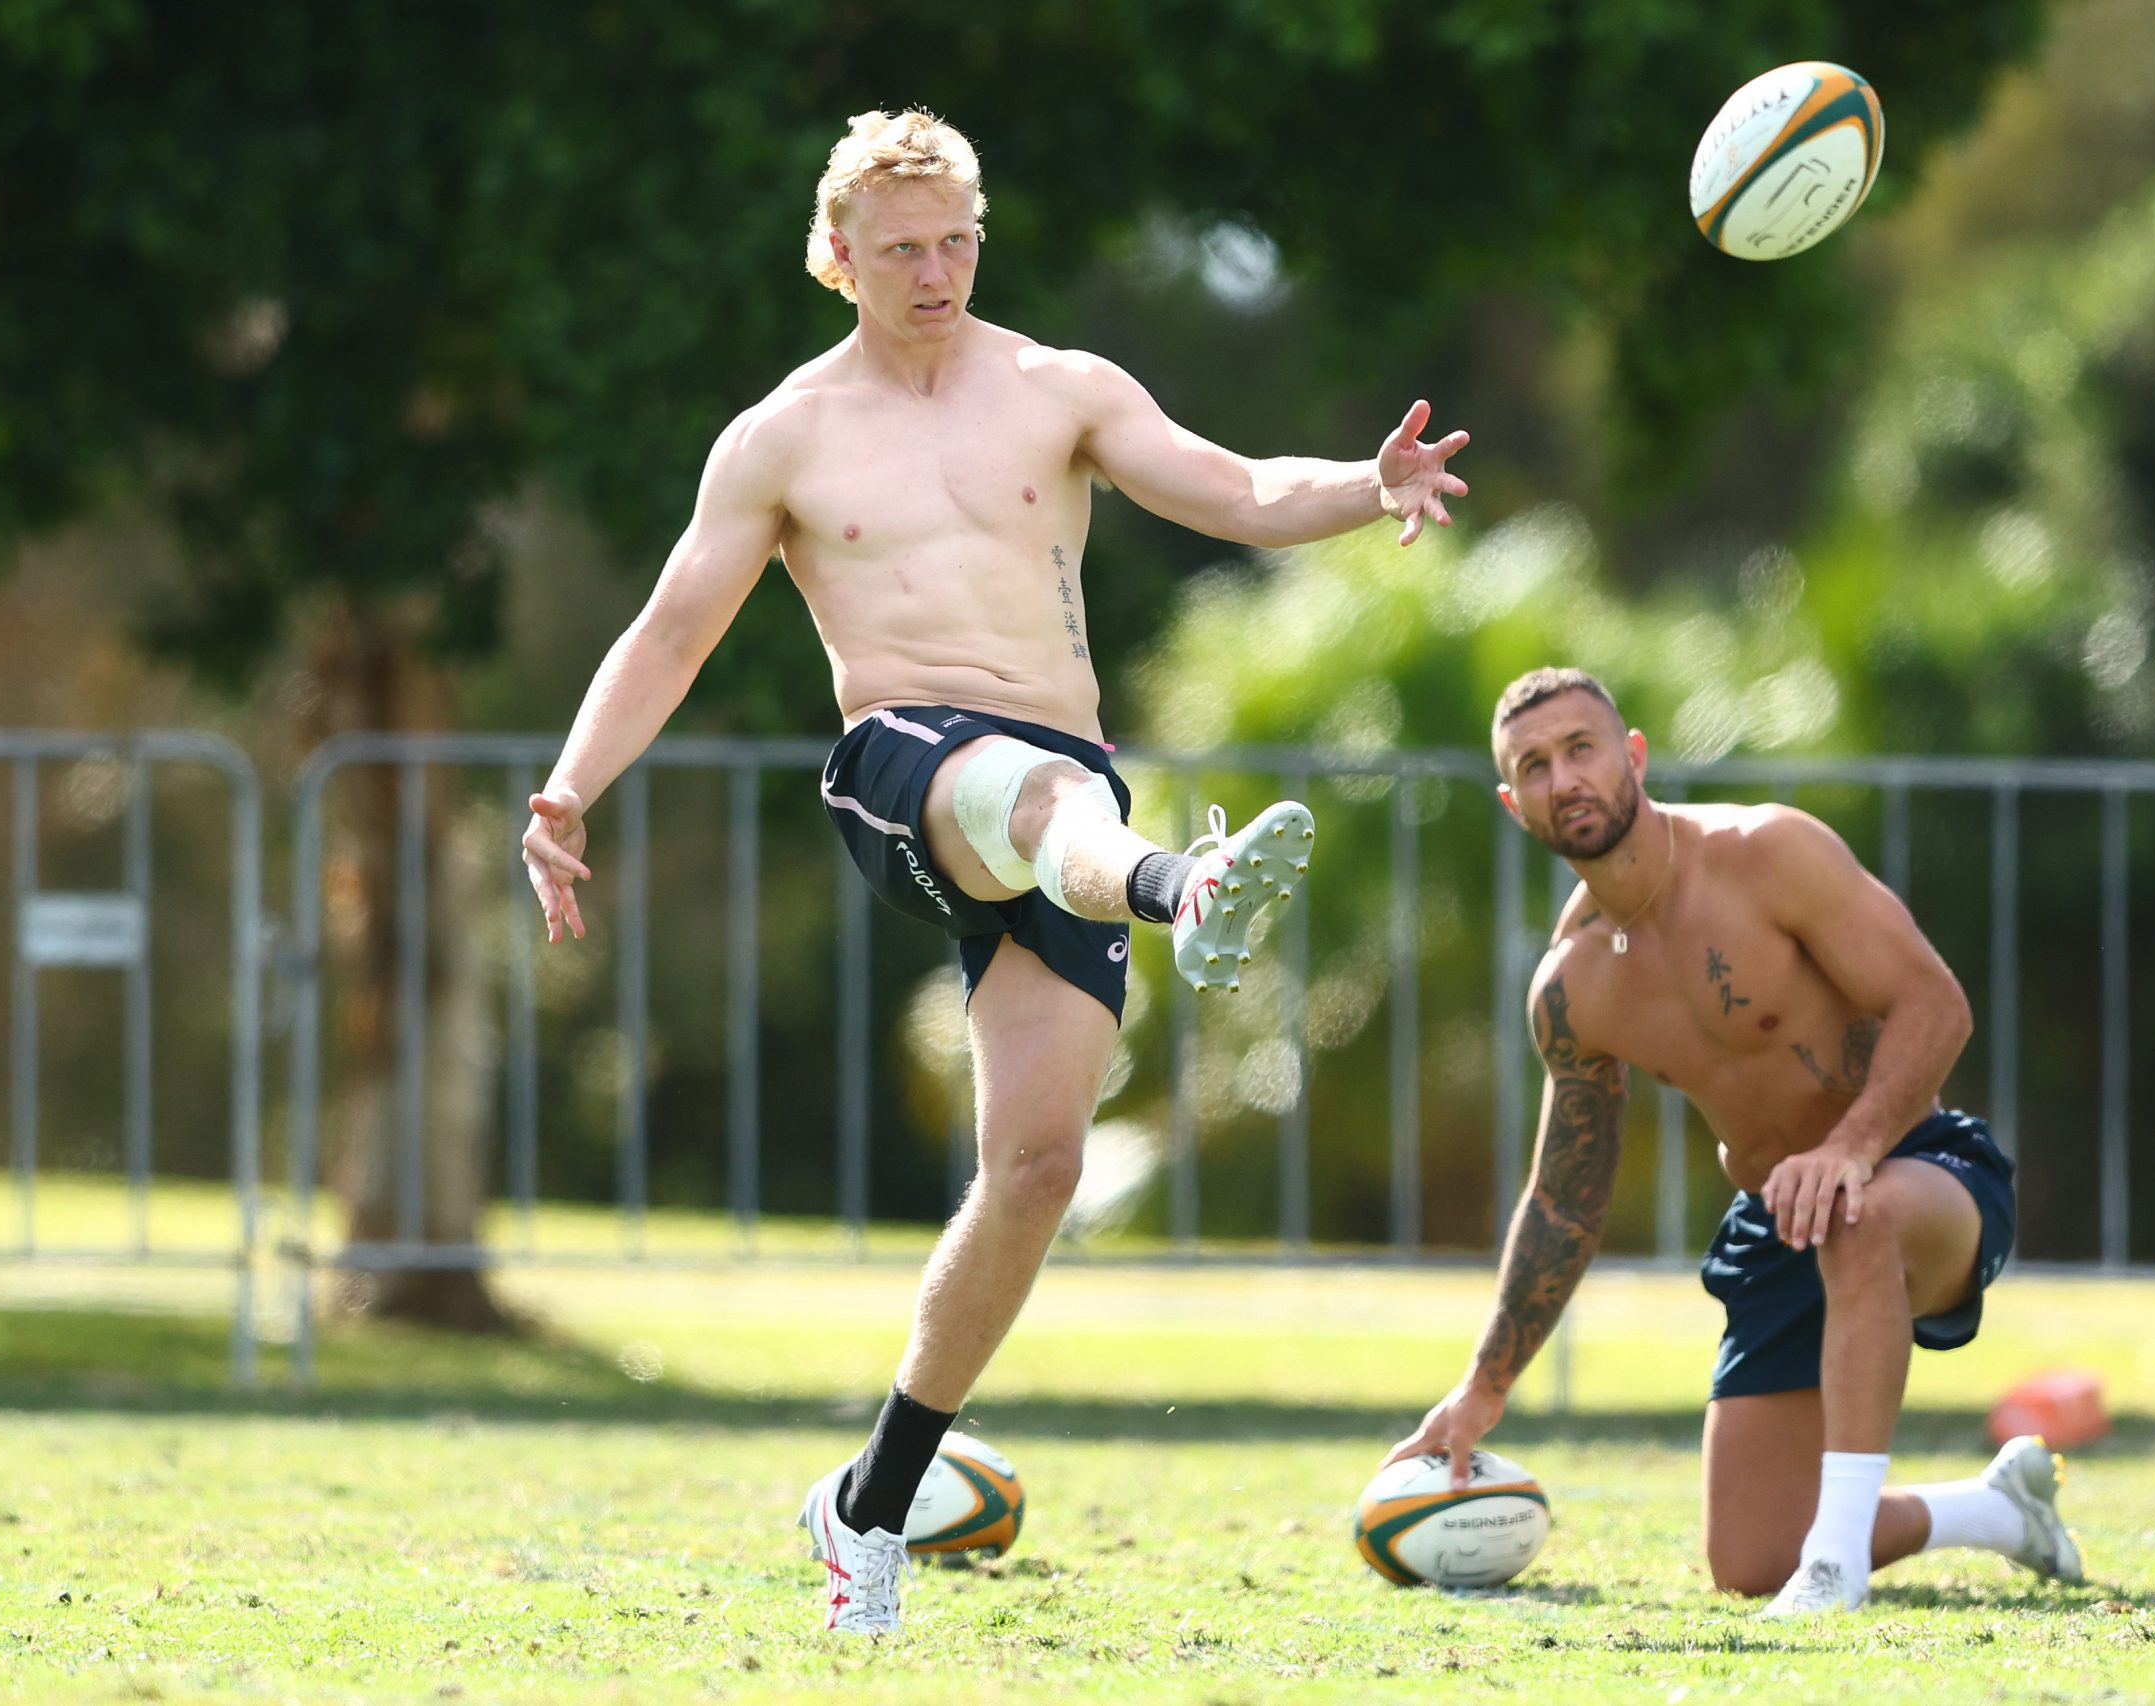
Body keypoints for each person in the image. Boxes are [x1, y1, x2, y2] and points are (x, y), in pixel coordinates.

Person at [516, 108, 1469, 1636]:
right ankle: (1187, 888)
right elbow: (671, 629)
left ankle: (869, 1504)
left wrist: (1369, 481)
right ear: (836, 257)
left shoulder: (1059, 389)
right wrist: (569, 787)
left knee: (1036, 1168)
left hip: (1067, 801)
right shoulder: (782, 438)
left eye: (957, 239)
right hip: (906, 768)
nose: (937, 269)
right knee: (1018, 788)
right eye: (903, 249)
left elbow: (1231, 488)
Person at [1385, 667, 2080, 1616]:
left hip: (1918, 1170)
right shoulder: (1572, 986)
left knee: (1856, 1215)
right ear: (1516, 806)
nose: (1566, 780)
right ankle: (1997, 1512)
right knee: (1750, 1563)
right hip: (1776, 1225)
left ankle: (1835, 1570)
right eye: (1535, 767)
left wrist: (1854, 1147)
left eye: (1582, 749)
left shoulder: (1768, 852)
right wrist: (1482, 1387)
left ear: (1632, 756)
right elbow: (1564, 1200)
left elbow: (1935, 1003)